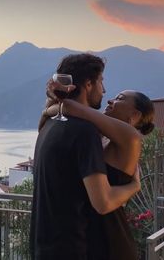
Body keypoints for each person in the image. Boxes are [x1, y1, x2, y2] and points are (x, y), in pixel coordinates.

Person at [30, 53, 141, 260]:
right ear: (88, 84)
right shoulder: (84, 132)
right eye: (101, 81)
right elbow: (103, 202)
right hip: (70, 250)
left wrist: (54, 105)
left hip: (43, 246)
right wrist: (135, 186)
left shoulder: (48, 125)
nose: (104, 90)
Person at [43, 87, 155, 260]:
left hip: (111, 238)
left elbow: (70, 108)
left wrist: (47, 111)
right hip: (93, 233)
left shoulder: (130, 137)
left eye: (120, 98)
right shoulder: (103, 139)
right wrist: (50, 108)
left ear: (134, 115)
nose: (111, 100)